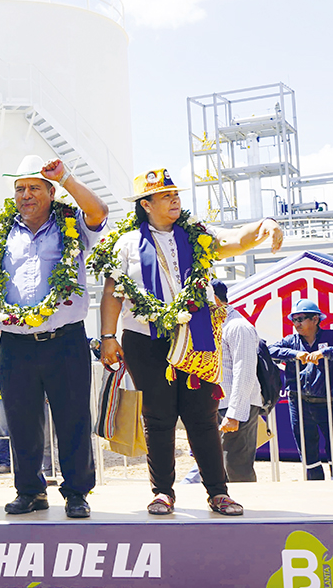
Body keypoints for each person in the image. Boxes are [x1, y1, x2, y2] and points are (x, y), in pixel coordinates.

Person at [96, 168, 283, 517]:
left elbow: (235, 239)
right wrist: (107, 337)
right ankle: (163, 493)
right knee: (158, 418)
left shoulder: (197, 235)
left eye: (175, 194)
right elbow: (112, 292)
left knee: (202, 416)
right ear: (146, 204)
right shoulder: (124, 244)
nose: (174, 200)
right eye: (166, 196)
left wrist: (265, 225)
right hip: (145, 339)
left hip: (195, 335)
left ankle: (218, 492)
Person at [0, 155, 107, 517]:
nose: (26, 195)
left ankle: (77, 493)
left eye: (34, 187)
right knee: (21, 420)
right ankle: (30, 491)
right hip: (15, 344)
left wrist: (68, 179)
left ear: (51, 192)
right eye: (20, 189)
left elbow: (99, 212)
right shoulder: (1, 234)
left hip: (64, 339)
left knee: (73, 418)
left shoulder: (72, 225)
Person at [270, 298, 333, 483]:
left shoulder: (332, 336)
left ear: (316, 319)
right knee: (306, 445)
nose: (297, 324)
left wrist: (325, 353)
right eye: (294, 320)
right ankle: (315, 486)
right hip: (299, 401)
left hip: (328, 401)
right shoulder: (291, 341)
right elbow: (270, 350)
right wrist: (295, 354)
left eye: (301, 318)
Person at [183, 280, 263, 484]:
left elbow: (244, 371)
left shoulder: (238, 326)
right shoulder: (215, 326)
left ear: (214, 299)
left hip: (235, 407)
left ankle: (251, 513)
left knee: (236, 468)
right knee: (215, 466)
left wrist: (234, 414)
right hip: (218, 406)